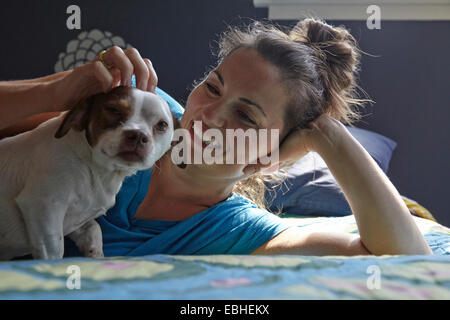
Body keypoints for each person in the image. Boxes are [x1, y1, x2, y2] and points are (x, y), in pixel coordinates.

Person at [0, 18, 432, 258]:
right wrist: (54, 90)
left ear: (268, 157)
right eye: (212, 87)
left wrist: (326, 133)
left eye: (244, 114)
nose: (206, 116)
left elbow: (408, 258)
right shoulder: (133, 115)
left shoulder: (238, 231)